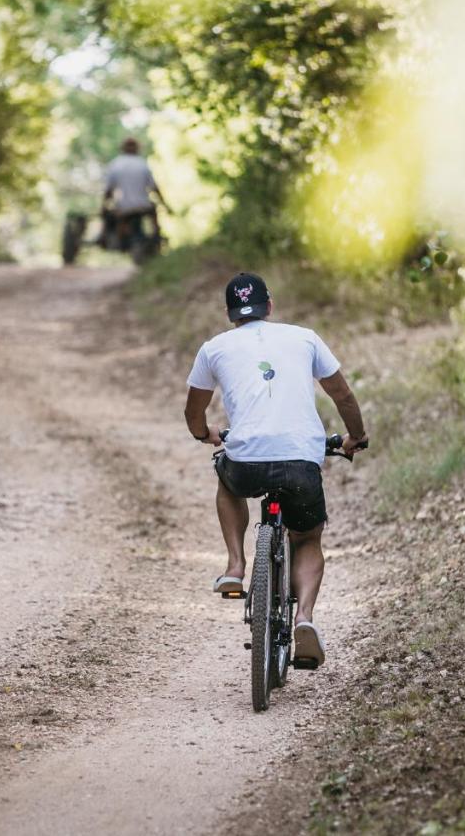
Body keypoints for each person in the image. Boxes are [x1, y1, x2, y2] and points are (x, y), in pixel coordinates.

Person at [183, 273, 368, 669]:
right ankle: (305, 619)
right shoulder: (304, 337)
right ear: (270, 306)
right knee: (307, 538)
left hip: (247, 461)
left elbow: (194, 412)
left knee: (227, 479)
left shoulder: (214, 348)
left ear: (231, 313)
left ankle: (235, 565)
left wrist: (205, 434)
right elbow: (342, 394)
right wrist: (356, 435)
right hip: (301, 460)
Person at [103, 136, 166, 243]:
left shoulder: (115, 164)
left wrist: (103, 206)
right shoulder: (143, 164)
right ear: (137, 148)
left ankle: (117, 239)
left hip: (123, 206)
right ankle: (157, 237)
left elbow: (109, 190)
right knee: (153, 213)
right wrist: (164, 204)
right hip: (143, 205)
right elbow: (154, 187)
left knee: (114, 216)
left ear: (122, 148)